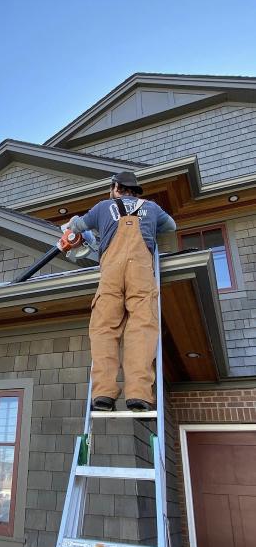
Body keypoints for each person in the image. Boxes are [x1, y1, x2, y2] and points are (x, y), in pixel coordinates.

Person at [66, 171, 176, 412]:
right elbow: (171, 226)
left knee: (104, 328)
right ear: (134, 190)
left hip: (111, 272)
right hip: (141, 270)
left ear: (115, 187)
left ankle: (103, 393)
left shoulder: (103, 207)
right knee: (142, 326)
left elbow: (78, 225)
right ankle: (138, 393)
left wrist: (73, 222)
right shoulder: (152, 207)